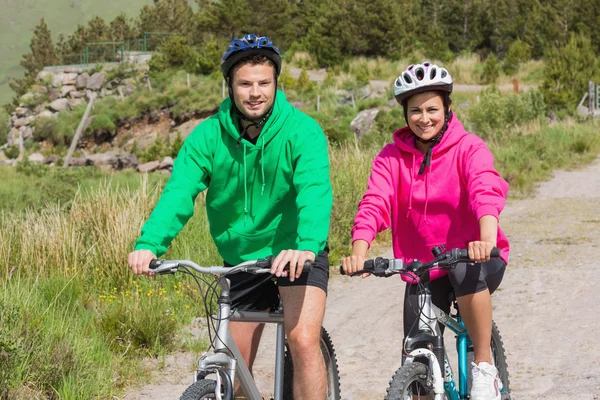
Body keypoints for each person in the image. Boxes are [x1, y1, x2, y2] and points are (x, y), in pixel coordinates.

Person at [128, 34, 333, 400]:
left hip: (296, 252)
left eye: (263, 83)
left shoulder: (303, 132)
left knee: (302, 340)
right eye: (245, 84)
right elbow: (179, 193)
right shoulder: (207, 137)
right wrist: (149, 244)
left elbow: (314, 193)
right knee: (234, 365)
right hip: (242, 260)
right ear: (231, 86)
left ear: (275, 84)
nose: (255, 92)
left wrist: (306, 246)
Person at [342, 62, 509, 400]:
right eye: (415, 110)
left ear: (447, 109)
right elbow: (375, 201)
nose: (424, 118)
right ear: (405, 113)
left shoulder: (469, 148)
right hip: (423, 267)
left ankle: (484, 366)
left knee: (465, 271)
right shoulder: (391, 158)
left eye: (432, 108)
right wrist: (359, 250)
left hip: (473, 257)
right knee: (417, 356)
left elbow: (485, 189)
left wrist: (486, 238)